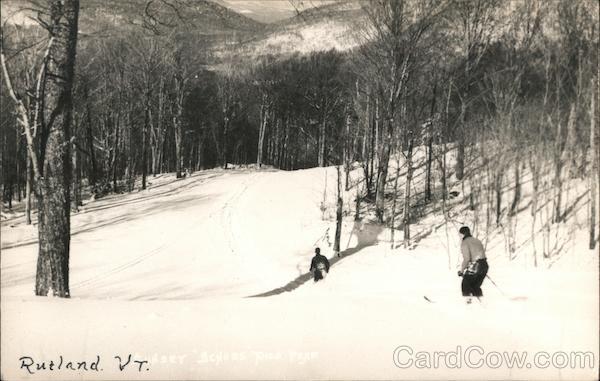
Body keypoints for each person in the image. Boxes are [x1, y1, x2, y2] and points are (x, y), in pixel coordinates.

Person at [457, 226, 488, 303]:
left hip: (475, 266)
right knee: (475, 287)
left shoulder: (465, 243)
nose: (459, 236)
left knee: (466, 285)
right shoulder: (477, 240)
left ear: (463, 234)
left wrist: (461, 270)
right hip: (484, 265)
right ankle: (482, 304)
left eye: (460, 234)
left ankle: (469, 306)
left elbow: (467, 259)